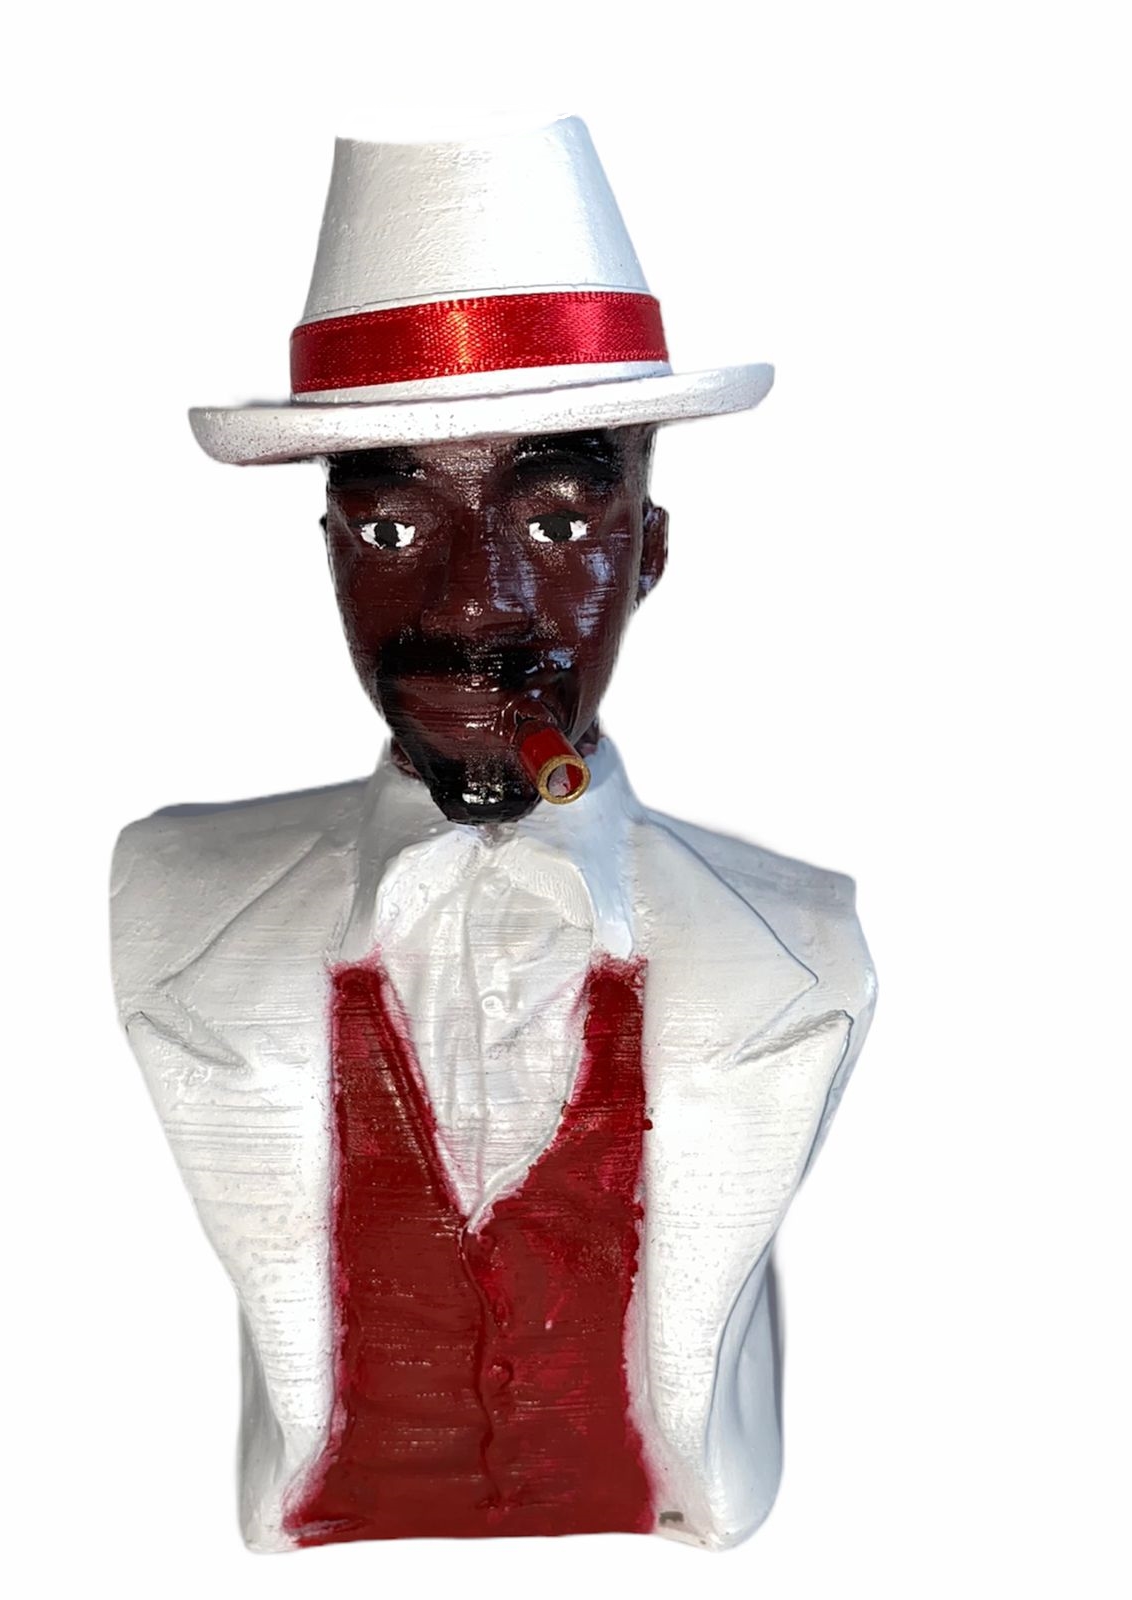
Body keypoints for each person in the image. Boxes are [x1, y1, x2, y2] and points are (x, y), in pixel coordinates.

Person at [111, 115, 875, 1552]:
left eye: (562, 522)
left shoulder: (800, 943)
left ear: (650, 550)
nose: (474, 603)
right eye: (396, 530)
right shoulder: (176, 896)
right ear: (329, 553)